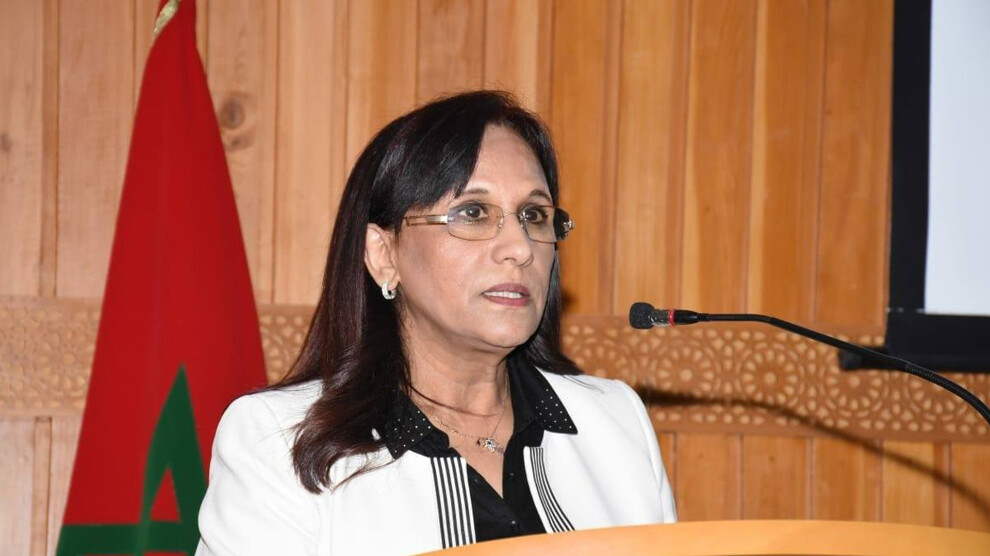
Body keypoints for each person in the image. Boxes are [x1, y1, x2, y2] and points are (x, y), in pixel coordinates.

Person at [195, 91, 676, 556]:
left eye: (533, 215)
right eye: (473, 212)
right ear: (384, 255)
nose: (520, 248)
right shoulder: (280, 442)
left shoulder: (615, 424)